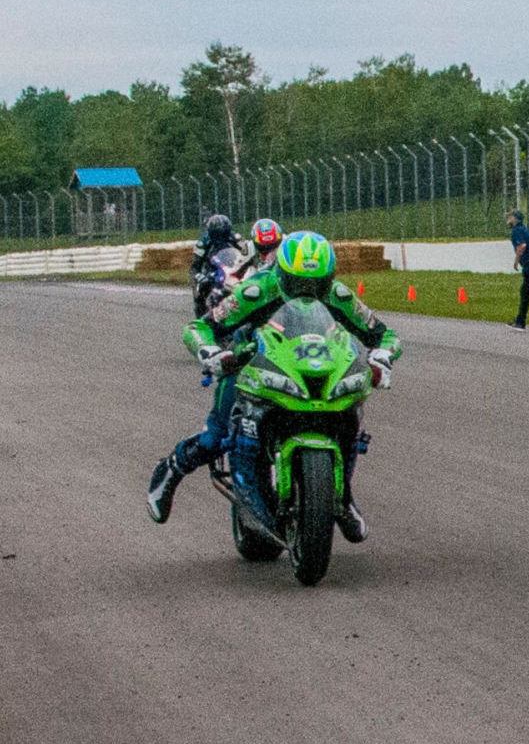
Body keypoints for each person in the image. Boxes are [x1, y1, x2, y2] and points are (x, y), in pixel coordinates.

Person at [146, 231, 401, 541]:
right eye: (298, 283)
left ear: (329, 277)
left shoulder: (337, 295)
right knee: (218, 436)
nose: (308, 291)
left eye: (316, 284)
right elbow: (199, 327)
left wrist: (382, 356)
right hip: (250, 365)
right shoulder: (256, 290)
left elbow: (384, 335)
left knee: (348, 418)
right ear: (282, 273)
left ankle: (343, 497)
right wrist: (211, 352)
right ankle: (170, 470)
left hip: (312, 368)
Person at [190, 214, 252, 316]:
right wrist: (199, 276)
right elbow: (194, 266)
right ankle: (200, 314)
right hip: (211, 269)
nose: (221, 238)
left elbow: (248, 253)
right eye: (217, 234)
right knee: (201, 287)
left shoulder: (236, 238)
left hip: (233, 266)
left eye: (223, 234)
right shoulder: (203, 242)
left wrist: (249, 265)